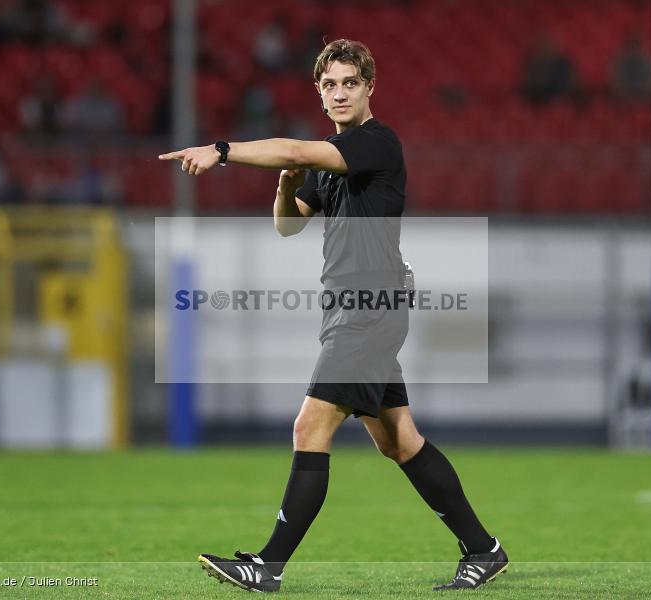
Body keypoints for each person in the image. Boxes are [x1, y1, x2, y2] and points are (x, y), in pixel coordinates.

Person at [159, 39, 508, 593]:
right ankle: (483, 549)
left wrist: (223, 150)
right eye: (330, 85)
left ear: (370, 87)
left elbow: (297, 151)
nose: (340, 92)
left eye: (350, 82)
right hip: (352, 307)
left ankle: (266, 566)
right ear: (319, 94)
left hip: (371, 308)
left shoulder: (376, 143)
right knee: (399, 440)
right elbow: (288, 224)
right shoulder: (329, 156)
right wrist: (286, 185)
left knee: (309, 425)